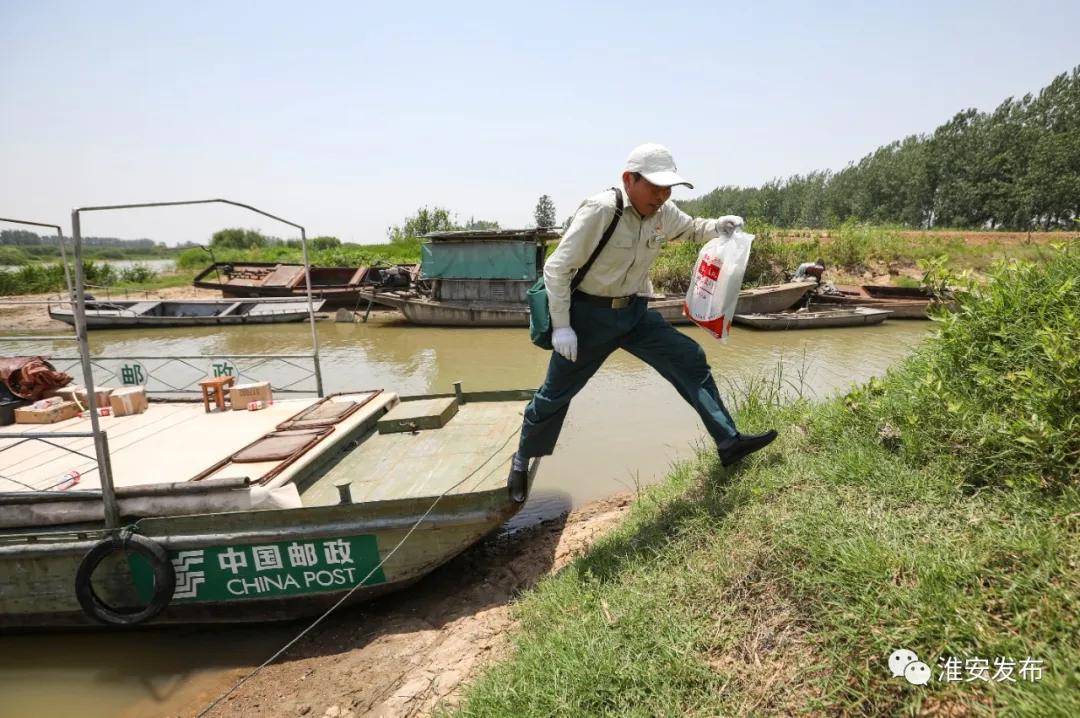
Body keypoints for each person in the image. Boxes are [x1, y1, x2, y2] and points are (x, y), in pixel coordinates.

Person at [506, 143, 778, 502]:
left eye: (668, 189)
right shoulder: (602, 210)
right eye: (655, 187)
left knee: (689, 358)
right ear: (629, 179)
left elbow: (692, 228)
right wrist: (562, 327)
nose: (662, 196)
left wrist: (718, 226)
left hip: (634, 312)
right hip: (588, 318)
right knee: (555, 394)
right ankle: (522, 459)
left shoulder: (662, 211)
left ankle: (728, 442)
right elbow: (557, 268)